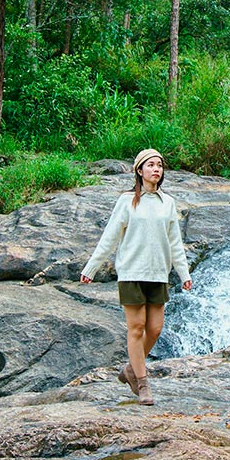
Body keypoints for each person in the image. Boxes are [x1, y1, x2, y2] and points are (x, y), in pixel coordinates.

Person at [80, 148, 192, 405]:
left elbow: (175, 243)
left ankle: (130, 370)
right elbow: (110, 238)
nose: (156, 169)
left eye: (160, 166)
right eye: (151, 165)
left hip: (158, 273)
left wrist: (183, 273)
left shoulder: (168, 203)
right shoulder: (127, 201)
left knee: (155, 328)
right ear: (139, 170)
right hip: (132, 272)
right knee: (137, 327)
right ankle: (142, 383)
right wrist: (91, 268)